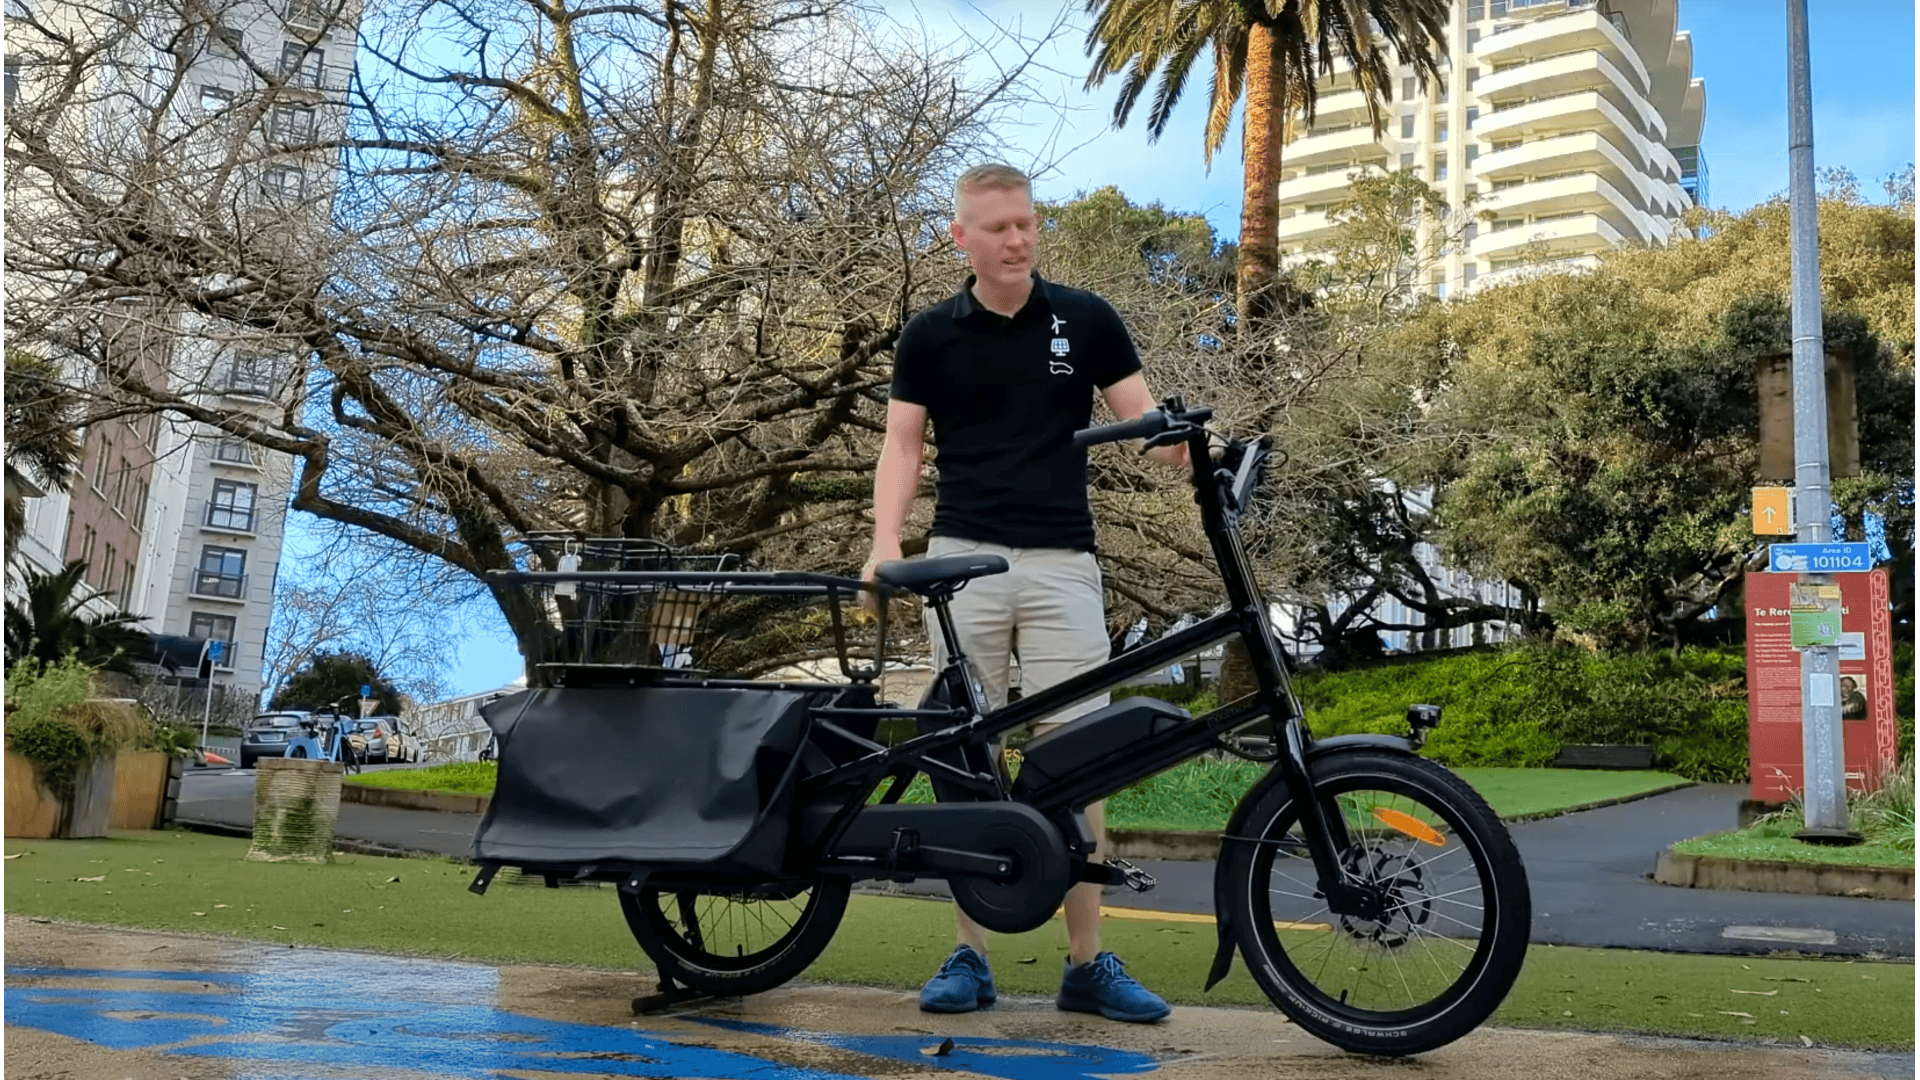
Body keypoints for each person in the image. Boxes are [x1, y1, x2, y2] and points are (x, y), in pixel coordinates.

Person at [863, 162, 1187, 1024]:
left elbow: (1144, 422)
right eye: (998, 227)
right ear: (960, 237)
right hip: (960, 557)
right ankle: (968, 955)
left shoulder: (1086, 319)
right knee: (967, 754)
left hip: (1063, 561)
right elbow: (903, 446)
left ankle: (1087, 963)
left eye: (1026, 224)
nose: (1016, 240)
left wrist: (1188, 448)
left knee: (1078, 755)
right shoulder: (929, 335)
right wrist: (885, 541)